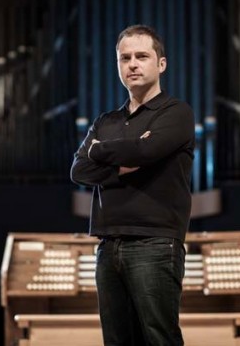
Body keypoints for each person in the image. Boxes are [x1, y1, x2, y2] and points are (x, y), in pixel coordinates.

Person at [70, 24, 195, 345]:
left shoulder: (176, 113)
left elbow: (147, 150)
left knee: (159, 339)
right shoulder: (105, 121)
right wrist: (123, 161)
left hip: (154, 242)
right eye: (125, 58)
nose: (133, 64)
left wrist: (101, 150)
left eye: (142, 56)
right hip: (108, 244)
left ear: (161, 64)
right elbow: (80, 170)